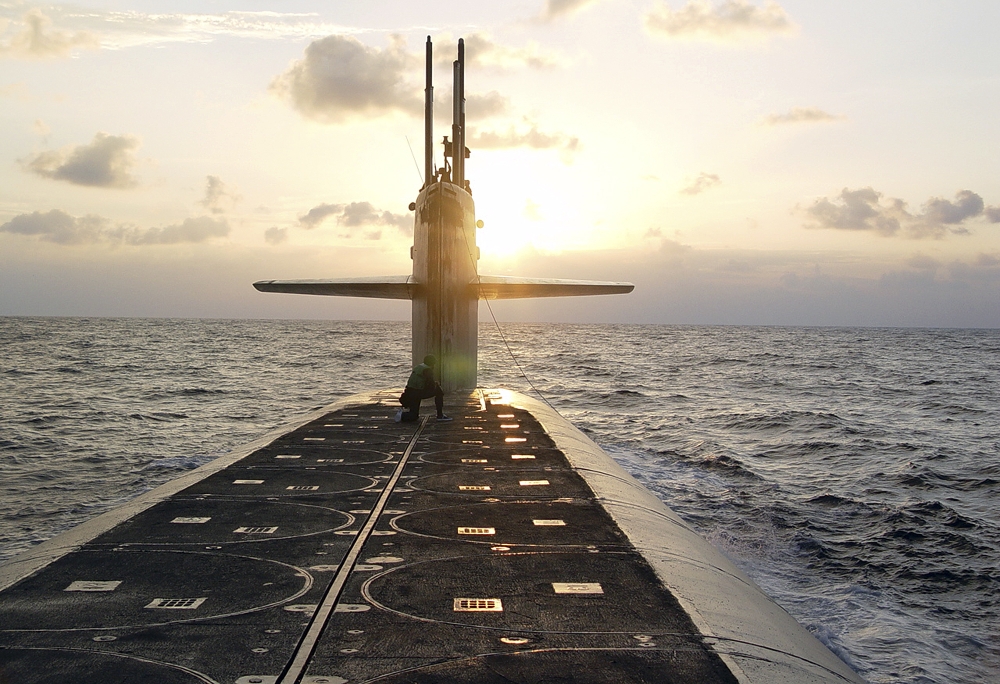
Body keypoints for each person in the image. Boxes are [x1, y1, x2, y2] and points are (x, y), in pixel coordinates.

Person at [396, 354, 451, 422]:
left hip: (410, 392)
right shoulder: (428, 370)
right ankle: (440, 415)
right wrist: (436, 384)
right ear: (432, 363)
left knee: (414, 416)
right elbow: (431, 385)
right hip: (417, 393)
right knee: (439, 392)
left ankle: (401, 415)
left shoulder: (419, 367)